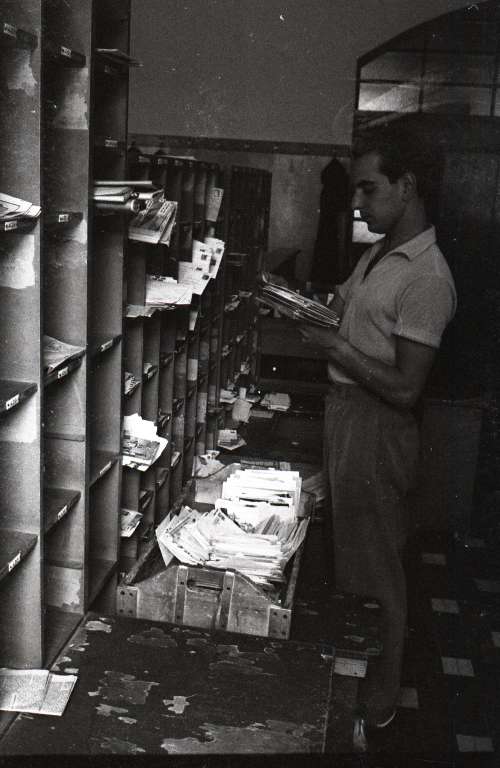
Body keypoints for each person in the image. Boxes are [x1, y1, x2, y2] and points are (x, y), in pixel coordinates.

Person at [298, 125, 457, 739]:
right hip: (348, 414)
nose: (357, 202)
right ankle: (353, 689)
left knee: (373, 570)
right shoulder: (379, 253)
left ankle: (376, 704)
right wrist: (300, 305)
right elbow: (343, 312)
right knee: (352, 561)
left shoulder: (428, 277)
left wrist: (333, 345)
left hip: (378, 424)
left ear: (406, 187)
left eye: (369, 188)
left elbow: (406, 387)